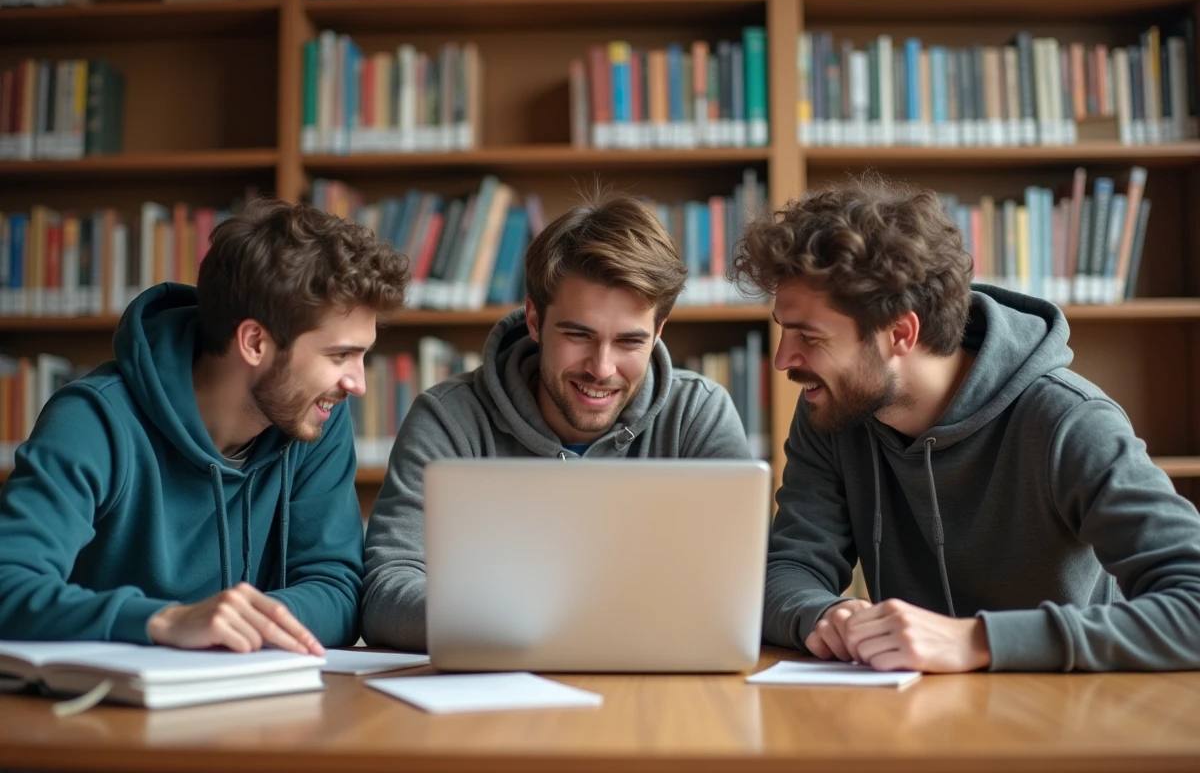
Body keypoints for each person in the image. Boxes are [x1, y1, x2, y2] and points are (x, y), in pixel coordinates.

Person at [734, 175, 1200, 672]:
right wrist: (828, 616)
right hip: (912, 717)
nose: (784, 359)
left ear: (900, 333)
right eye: (786, 331)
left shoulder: (1071, 422)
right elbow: (786, 572)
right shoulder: (832, 413)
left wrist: (978, 641)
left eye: (810, 336)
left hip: (1065, 715)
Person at [0, 199, 410, 654]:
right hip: (99, 711)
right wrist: (165, 620)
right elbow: (9, 584)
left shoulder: (311, 421)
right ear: (255, 342)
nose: (357, 385)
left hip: (247, 707)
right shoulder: (94, 419)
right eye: (339, 356)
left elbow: (337, 589)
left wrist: (238, 625)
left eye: (363, 355)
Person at [362, 192, 753, 651]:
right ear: (533, 319)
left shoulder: (698, 414)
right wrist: (520, 625)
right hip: (503, 688)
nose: (602, 368)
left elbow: (741, 588)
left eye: (629, 342)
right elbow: (385, 592)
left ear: (658, 333)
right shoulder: (448, 419)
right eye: (578, 335)